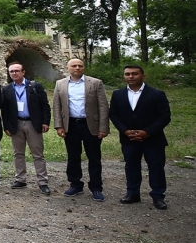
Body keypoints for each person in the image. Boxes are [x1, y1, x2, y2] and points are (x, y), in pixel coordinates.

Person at [109, 65, 172, 210]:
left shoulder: (157, 94)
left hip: (153, 139)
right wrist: (125, 131)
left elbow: (165, 117)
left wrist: (147, 132)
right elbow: (113, 114)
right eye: (127, 74)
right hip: (128, 138)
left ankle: (158, 196)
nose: (131, 76)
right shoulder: (118, 94)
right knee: (131, 166)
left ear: (143, 76)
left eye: (134, 74)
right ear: (124, 76)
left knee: (156, 167)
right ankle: (132, 193)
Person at [53, 58, 109, 201]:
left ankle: (96, 187)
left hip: (91, 125)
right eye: (74, 66)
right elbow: (57, 106)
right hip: (70, 125)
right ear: (68, 68)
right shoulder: (60, 84)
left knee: (94, 157)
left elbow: (103, 106)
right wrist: (59, 126)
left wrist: (103, 127)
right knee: (73, 157)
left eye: (80, 65)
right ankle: (75, 184)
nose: (77, 68)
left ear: (83, 68)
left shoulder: (95, 83)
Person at [1, 63, 52, 195]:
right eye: (11, 71)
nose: (14, 73)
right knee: (18, 153)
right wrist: (6, 126)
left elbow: (45, 105)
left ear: (23, 72)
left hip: (32, 123)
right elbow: (4, 110)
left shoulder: (35, 86)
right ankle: (20, 179)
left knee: (37, 153)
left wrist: (45, 122)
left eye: (17, 71)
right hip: (16, 124)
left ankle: (42, 181)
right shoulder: (7, 89)